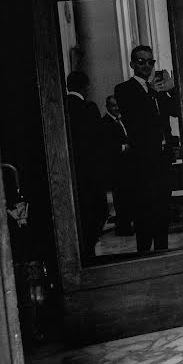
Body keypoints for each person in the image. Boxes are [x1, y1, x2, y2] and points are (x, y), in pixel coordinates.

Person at [114, 45, 179, 252]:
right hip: (142, 161)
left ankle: (162, 251)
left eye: (150, 61)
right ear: (132, 64)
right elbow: (136, 116)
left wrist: (171, 90)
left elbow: (177, 111)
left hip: (163, 158)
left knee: (163, 209)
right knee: (144, 210)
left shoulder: (158, 91)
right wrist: (152, 91)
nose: (147, 65)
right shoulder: (124, 89)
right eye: (141, 61)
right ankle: (143, 253)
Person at [66, 70, 107, 258]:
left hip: (71, 172)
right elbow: (98, 141)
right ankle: (88, 250)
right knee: (96, 212)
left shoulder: (63, 107)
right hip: (90, 171)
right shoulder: (88, 108)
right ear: (86, 87)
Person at [100, 95, 133, 236]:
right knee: (120, 198)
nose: (117, 108)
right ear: (107, 107)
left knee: (128, 197)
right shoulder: (105, 123)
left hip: (127, 166)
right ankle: (123, 227)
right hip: (116, 167)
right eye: (113, 106)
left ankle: (127, 224)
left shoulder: (122, 120)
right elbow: (106, 147)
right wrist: (124, 147)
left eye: (118, 105)